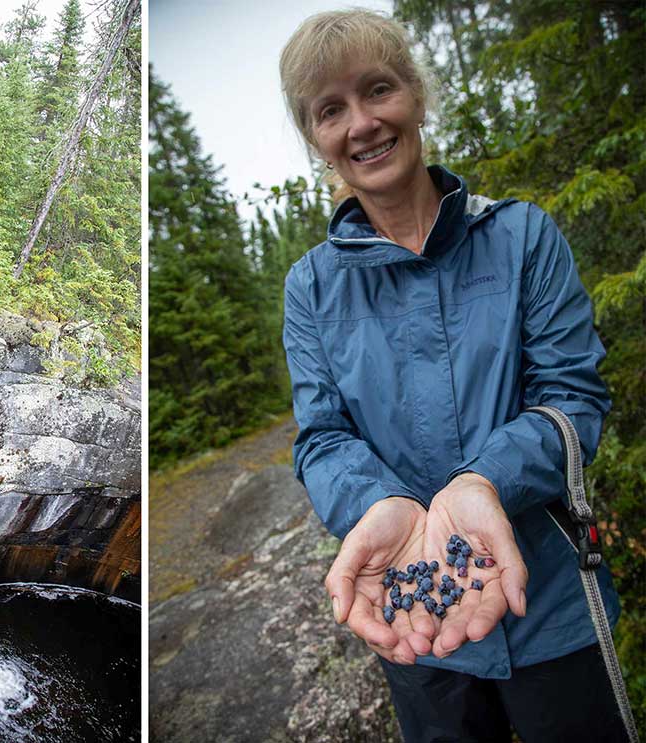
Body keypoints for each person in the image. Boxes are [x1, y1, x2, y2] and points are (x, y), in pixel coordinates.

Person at [279, 10, 630, 742]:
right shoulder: (311, 287)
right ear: (316, 137)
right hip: (420, 624)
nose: (363, 123)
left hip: (552, 606)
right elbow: (321, 439)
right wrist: (382, 503)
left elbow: (574, 399)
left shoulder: (522, 236)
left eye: (379, 90)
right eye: (331, 110)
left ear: (416, 94)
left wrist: (483, 482)